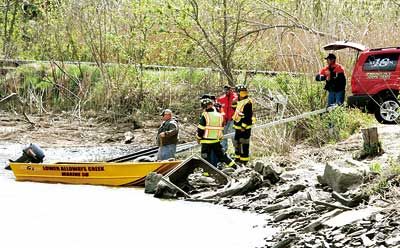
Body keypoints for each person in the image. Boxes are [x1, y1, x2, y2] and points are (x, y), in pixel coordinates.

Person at [196, 98, 236, 169]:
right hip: (216, 140)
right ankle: (235, 167)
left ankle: (207, 173)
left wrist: (198, 138)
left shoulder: (205, 115)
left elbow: (201, 129)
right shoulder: (219, 115)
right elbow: (222, 127)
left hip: (206, 141)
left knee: (205, 158)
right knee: (222, 156)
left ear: (203, 107)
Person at [232, 84, 254, 165]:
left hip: (244, 127)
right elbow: (235, 108)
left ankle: (244, 161)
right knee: (237, 143)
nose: (243, 93)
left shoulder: (248, 102)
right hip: (237, 126)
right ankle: (237, 159)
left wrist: (243, 126)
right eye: (242, 92)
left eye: (244, 91)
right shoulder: (238, 100)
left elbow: (248, 116)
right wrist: (234, 102)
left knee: (244, 143)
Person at [217, 85, 238, 152]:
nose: (226, 91)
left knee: (233, 134)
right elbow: (219, 109)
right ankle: (223, 150)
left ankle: (237, 150)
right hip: (225, 120)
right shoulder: (221, 99)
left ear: (231, 90)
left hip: (233, 119)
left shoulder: (235, 97)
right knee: (223, 135)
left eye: (228, 90)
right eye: (225, 90)